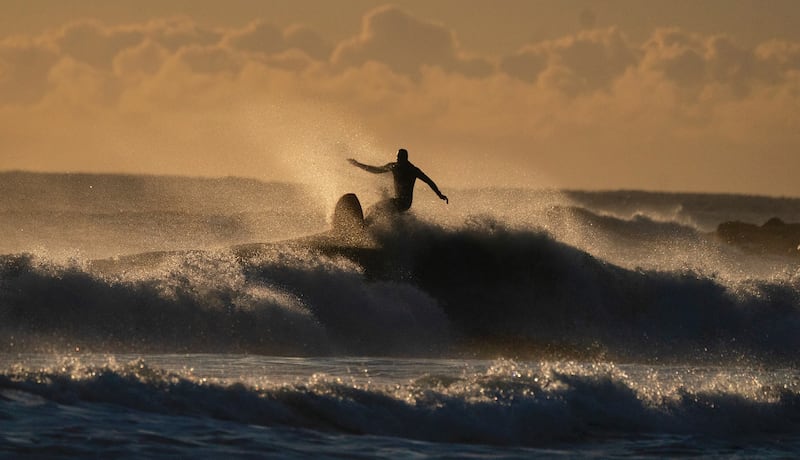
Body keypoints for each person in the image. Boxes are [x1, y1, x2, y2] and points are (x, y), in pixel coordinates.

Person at [348, 148, 448, 213]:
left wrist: (439, 195)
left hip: (404, 203)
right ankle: (372, 230)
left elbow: (429, 181)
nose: (398, 160)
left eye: (399, 158)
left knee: (374, 210)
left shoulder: (412, 170)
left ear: (405, 158)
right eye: (397, 158)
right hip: (398, 202)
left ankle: (364, 227)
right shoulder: (394, 166)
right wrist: (358, 164)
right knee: (373, 210)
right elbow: (376, 170)